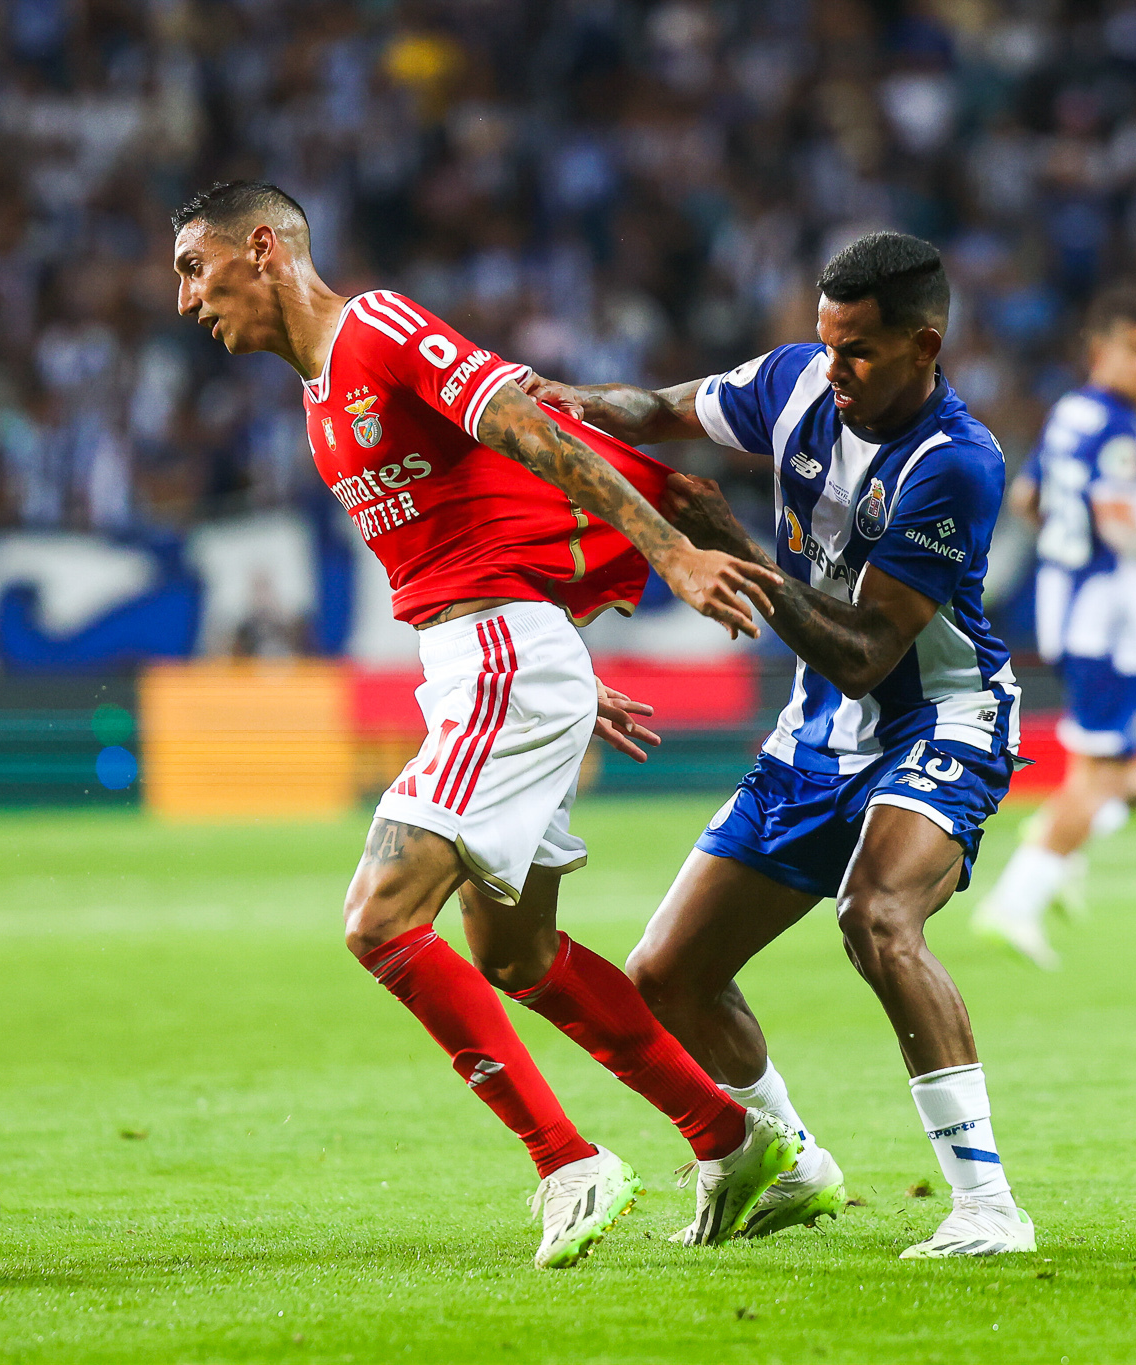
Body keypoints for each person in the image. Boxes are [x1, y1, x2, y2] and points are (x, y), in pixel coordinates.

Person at [170, 182, 800, 1269]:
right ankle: (733, 1137)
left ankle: (567, 1161)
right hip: (494, 662)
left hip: (499, 662)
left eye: (193, 266)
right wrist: (564, 681)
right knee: (516, 955)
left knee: (377, 920)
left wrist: (663, 550)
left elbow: (521, 426)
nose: (184, 299)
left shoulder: (377, 327)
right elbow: (466, 537)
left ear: (262, 248)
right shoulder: (322, 402)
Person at [524, 232, 1037, 1258]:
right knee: (666, 973)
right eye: (824, 342)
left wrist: (735, 556)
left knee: (875, 916)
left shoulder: (954, 465)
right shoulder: (798, 381)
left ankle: (986, 1206)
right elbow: (664, 407)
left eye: (858, 352)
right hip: (815, 736)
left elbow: (864, 650)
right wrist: (573, 403)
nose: (832, 369)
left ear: (922, 344)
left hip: (940, 720)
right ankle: (792, 1159)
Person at [971, 286, 1136, 970]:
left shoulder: (1071, 415)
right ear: (1100, 351)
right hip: (1110, 622)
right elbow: (1117, 523)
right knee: (1101, 773)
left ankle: (1061, 833)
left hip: (1089, 612)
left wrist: (1064, 558)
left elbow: (1028, 499)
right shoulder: (1114, 426)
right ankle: (1017, 899)